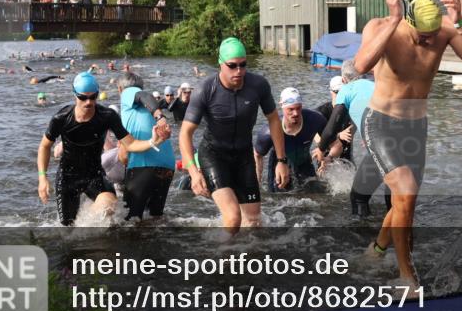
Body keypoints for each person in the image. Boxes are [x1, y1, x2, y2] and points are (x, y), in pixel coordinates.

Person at [354, 0, 462, 290]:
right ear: (407, 20)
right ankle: (407, 278)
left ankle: (376, 250)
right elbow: (361, 66)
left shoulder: (443, 30)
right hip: (381, 123)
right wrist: (392, 21)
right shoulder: (380, 27)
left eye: (432, 35)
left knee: (406, 203)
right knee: (406, 193)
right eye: (422, 35)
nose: (429, 41)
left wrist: (460, 24)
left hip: (416, 127)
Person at [178, 38, 289, 233]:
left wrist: (281, 160)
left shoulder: (258, 85)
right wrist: (193, 172)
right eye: (232, 66)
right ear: (221, 64)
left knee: (254, 223)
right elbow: (185, 133)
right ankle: (224, 260)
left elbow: (274, 120)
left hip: (244, 157)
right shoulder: (205, 89)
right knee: (232, 217)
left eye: (243, 65)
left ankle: (246, 260)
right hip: (214, 156)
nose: (239, 71)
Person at [36, 72, 171, 226]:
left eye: (93, 97)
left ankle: (88, 222)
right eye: (83, 97)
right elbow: (44, 146)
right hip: (68, 178)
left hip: (95, 176)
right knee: (68, 229)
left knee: (109, 207)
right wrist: (42, 178)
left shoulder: (107, 116)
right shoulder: (61, 118)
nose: (88, 102)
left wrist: (153, 141)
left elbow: (131, 144)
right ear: (75, 95)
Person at [317, 60, 387, 216]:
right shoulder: (375, 85)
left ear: (343, 79)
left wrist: (321, 149)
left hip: (382, 148)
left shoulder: (347, 90)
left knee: (358, 198)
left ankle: (362, 235)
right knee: (394, 199)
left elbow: (330, 128)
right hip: (403, 142)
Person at [116, 72, 176, 221]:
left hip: (143, 164)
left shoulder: (128, 93)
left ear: (119, 89)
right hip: (167, 164)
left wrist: (160, 117)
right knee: (156, 219)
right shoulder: (138, 109)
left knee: (131, 220)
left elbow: (143, 95)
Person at [255, 87, 339, 193]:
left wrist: (328, 157)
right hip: (279, 166)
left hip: (305, 164)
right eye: (291, 109)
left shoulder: (315, 120)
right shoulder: (268, 132)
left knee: (316, 197)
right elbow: (257, 155)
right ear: (282, 107)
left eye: (298, 108)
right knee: (278, 200)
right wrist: (256, 183)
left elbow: (336, 144)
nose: (295, 113)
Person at [316, 75, 355, 162]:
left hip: (347, 158)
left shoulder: (352, 110)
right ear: (331, 91)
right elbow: (317, 139)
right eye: (337, 92)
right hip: (326, 158)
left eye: (343, 92)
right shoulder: (321, 112)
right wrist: (338, 135)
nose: (341, 95)